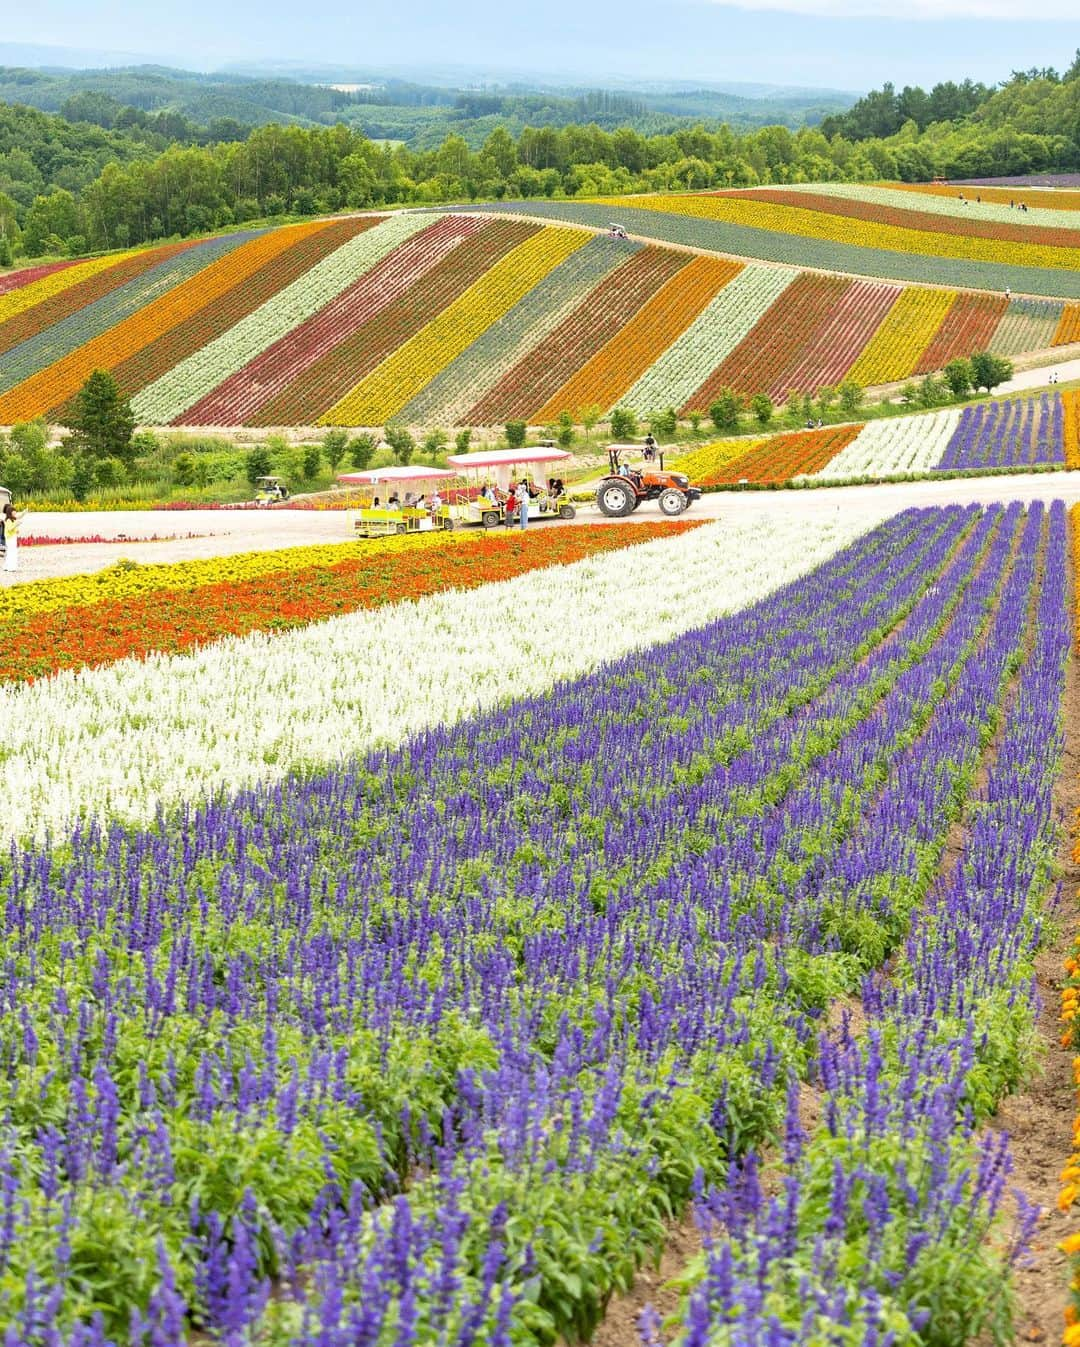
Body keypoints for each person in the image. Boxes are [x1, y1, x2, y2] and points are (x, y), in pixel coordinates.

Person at [2, 503, 18, 572]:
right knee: (12, 552)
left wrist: (16, 530)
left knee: (11, 552)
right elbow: (10, 529)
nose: (15, 512)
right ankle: (11, 567)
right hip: (10, 538)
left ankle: (9, 566)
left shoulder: (12, 519)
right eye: (13, 511)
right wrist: (16, 524)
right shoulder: (8, 520)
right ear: (10, 512)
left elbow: (13, 529)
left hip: (12, 537)